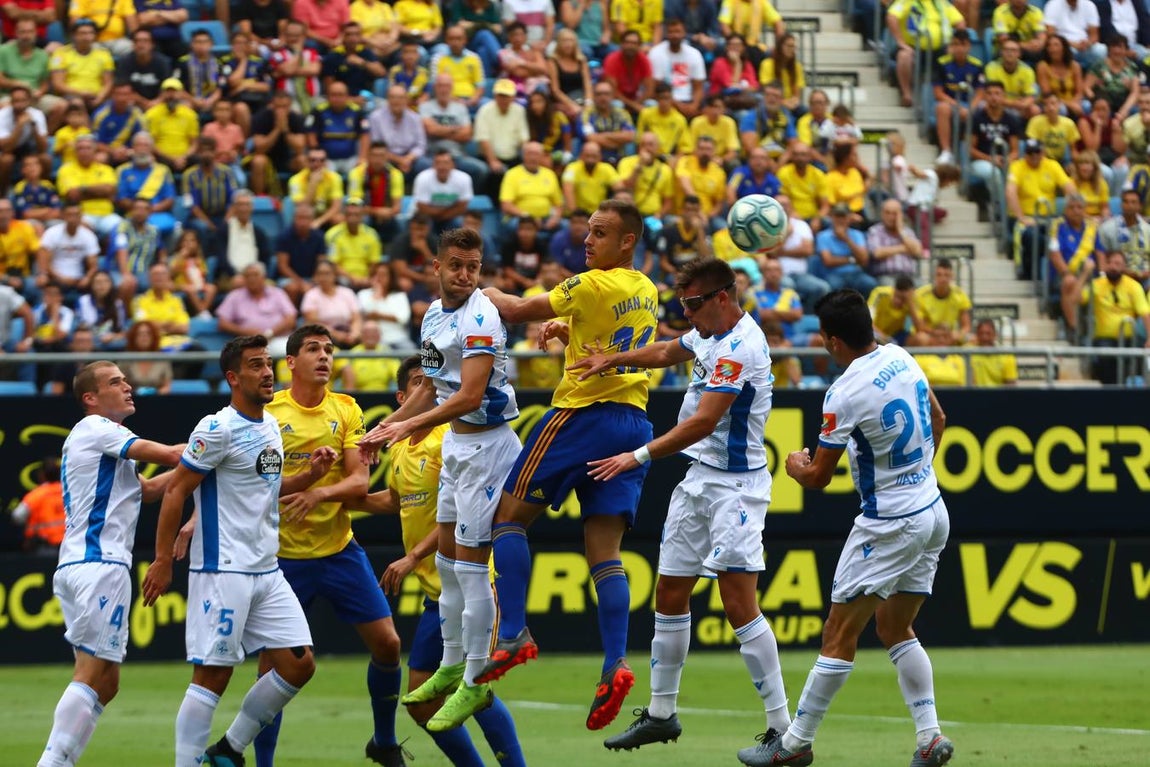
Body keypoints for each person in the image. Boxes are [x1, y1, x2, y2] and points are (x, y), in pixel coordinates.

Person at [569, 257, 791, 752]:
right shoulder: (708, 332)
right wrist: (614, 360)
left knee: (738, 603)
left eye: (692, 304)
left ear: (721, 298)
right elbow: (669, 349)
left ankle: (783, 729)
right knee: (670, 592)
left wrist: (636, 455)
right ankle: (662, 714)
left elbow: (703, 421)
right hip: (698, 479)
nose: (685, 313)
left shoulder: (741, 346)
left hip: (737, 488)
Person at [739, 289, 953, 767]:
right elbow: (939, 419)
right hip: (932, 510)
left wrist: (795, 465)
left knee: (838, 633)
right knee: (894, 626)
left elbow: (818, 477)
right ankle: (929, 737)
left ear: (833, 341)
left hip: (888, 524)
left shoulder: (845, 392)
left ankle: (794, 745)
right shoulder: (901, 356)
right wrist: (917, 475)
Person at [465, 200, 657, 731]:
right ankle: (615, 663)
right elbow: (610, 338)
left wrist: (478, 290)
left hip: (580, 417)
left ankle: (513, 633)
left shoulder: (589, 284)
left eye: (600, 233)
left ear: (628, 241)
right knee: (605, 553)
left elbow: (513, 309)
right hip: (633, 422)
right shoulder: (645, 287)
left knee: (508, 519)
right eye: (588, 231)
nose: (587, 240)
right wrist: (568, 334)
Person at [141, 336, 338, 767]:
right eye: (255, 366)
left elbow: (268, 488)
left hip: (267, 569)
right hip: (223, 570)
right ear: (233, 377)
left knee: (299, 664)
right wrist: (162, 559)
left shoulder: (269, 426)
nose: (267, 373)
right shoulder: (217, 428)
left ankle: (229, 748)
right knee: (213, 675)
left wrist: (310, 476)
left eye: (268, 364)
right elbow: (175, 491)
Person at [358, 227, 523, 732]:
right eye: (456, 265)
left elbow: (470, 395)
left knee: (471, 569)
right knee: (449, 563)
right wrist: (386, 427)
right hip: (456, 444)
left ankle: (476, 679)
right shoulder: (433, 314)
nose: (465, 275)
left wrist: (404, 426)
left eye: (473, 267)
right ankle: (452, 663)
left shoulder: (482, 316)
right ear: (436, 266)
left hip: (489, 446)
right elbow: (430, 386)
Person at [235, 325, 405, 767]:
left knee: (388, 645)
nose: (325, 356)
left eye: (329, 350)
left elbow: (359, 481)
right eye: (313, 349)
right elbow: (251, 483)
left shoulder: (346, 408)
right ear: (291, 362)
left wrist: (318, 492)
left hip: (339, 550)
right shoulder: (269, 412)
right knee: (275, 668)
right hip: (282, 559)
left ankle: (384, 741)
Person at [358, 355, 527, 766]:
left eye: (431, 381)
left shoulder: (445, 441)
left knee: (476, 688)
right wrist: (334, 500)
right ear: (403, 397)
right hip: (437, 594)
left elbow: (457, 516)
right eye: (419, 383)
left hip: (473, 583)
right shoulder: (401, 447)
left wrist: (412, 556)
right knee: (421, 702)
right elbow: (396, 501)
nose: (429, 388)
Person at [37, 360, 182, 767]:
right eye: (116, 382)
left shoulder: (99, 440)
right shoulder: (98, 428)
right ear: (91, 397)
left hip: (81, 564)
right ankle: (51, 762)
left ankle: (62, 759)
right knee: (90, 673)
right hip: (100, 564)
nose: (128, 386)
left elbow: (147, 491)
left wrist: (197, 468)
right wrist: (222, 442)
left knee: (108, 682)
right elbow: (171, 454)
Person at [12, 456, 64, 554]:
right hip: (68, 546)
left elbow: (17, 516)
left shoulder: (37, 495)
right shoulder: (67, 493)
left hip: (43, 548)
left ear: (42, 475)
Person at [969, 319, 1019, 386]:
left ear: (995, 335)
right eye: (981, 333)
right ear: (976, 335)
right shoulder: (968, 353)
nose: (984, 337)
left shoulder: (1007, 355)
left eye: (988, 333)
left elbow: (1010, 385)